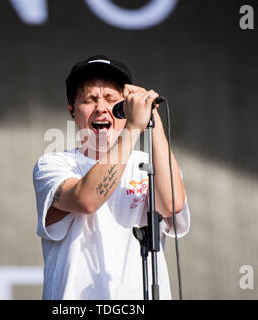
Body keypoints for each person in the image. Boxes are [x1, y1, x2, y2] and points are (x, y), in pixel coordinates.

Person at [32, 54, 190, 299]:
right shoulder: (53, 165)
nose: (101, 108)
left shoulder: (145, 163)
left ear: (124, 110)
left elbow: (170, 205)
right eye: (90, 99)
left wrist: (151, 115)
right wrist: (132, 128)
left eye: (111, 99)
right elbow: (87, 200)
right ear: (72, 111)